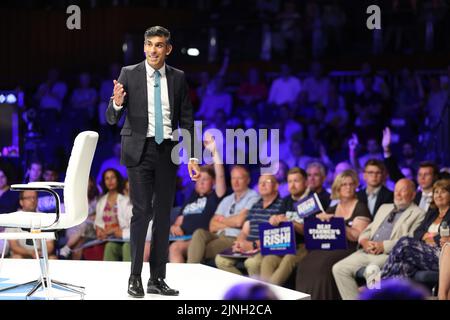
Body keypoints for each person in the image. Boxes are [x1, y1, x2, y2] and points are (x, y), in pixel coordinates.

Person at [106, 26, 200, 298]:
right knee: (141, 212)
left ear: (168, 49)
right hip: (139, 151)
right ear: (144, 46)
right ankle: (134, 277)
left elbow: (187, 119)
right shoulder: (129, 73)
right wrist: (117, 103)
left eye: (159, 45)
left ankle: (157, 279)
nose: (153, 50)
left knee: (162, 217)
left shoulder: (179, 77)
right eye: (149, 44)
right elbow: (111, 119)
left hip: (167, 152)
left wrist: (192, 156)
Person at [332, 179, 426, 300]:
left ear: (413, 194)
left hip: (389, 254)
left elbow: (411, 239)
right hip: (367, 250)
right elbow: (368, 229)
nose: (397, 194)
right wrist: (364, 241)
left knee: (372, 270)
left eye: (402, 191)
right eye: (396, 190)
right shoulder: (384, 207)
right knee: (339, 268)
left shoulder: (419, 213)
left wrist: (383, 246)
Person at [296, 170, 371, 300]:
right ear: (337, 188)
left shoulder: (361, 207)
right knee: (305, 263)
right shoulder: (332, 209)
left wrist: (338, 223)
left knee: (322, 266)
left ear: (355, 186)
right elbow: (314, 232)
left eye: (351, 184)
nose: (348, 187)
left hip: (349, 248)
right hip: (329, 247)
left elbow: (358, 236)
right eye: (344, 184)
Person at [169, 135, 226, 263]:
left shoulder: (215, 196)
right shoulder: (191, 198)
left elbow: (220, 175)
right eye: (198, 180)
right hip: (181, 237)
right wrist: (175, 226)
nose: (201, 183)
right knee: (150, 246)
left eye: (205, 179)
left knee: (175, 248)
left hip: (200, 239)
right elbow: (179, 219)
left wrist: (214, 151)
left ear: (213, 182)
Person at [187, 165, 259, 264]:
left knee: (198, 250)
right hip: (218, 234)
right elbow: (212, 225)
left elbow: (239, 222)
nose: (235, 182)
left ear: (248, 180)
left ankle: (189, 274)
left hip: (234, 237)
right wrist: (231, 221)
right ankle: (190, 271)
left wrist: (222, 219)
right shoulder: (227, 199)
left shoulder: (253, 196)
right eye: (233, 178)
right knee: (199, 233)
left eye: (240, 178)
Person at [215, 174, 284, 277]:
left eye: (267, 182)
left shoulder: (282, 205)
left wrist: (254, 245)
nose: (263, 185)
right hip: (247, 248)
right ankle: (244, 288)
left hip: (265, 248)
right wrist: (239, 242)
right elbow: (244, 231)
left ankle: (256, 291)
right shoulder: (256, 205)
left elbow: (279, 236)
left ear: (276, 186)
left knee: (251, 263)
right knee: (220, 260)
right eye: (260, 183)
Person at [381, 179, 450, 279]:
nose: (439, 195)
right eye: (436, 192)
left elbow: (445, 237)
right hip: (423, 251)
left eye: (443, 192)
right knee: (403, 265)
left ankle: (377, 285)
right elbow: (417, 232)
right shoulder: (432, 213)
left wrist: (429, 237)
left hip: (442, 256)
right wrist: (427, 237)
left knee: (404, 243)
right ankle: (391, 292)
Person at [260, 167, 310, 285]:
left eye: (296, 181)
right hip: (284, 244)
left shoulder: (311, 201)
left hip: (303, 246)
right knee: (268, 259)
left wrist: (291, 222)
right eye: (290, 181)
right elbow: (278, 220)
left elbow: (310, 232)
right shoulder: (286, 201)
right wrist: (273, 220)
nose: (292, 185)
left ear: (306, 182)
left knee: (288, 259)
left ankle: (267, 294)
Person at [94, 169, 133, 262]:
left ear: (117, 179)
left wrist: (113, 230)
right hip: (107, 237)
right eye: (107, 178)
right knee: (109, 246)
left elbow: (130, 222)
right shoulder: (101, 201)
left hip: (122, 236)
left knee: (126, 246)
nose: (110, 181)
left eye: (112, 177)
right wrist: (98, 230)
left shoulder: (125, 199)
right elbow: (97, 222)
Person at [6, 190, 57, 259]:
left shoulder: (45, 218)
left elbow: (50, 245)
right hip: (22, 254)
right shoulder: (13, 218)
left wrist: (41, 254)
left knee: (53, 258)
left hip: (40, 254)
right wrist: (30, 253)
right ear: (21, 202)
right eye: (28, 198)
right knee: (17, 258)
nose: (32, 200)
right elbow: (14, 245)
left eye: (34, 197)